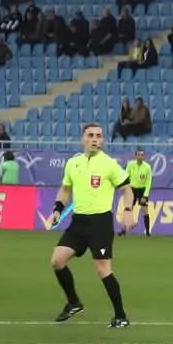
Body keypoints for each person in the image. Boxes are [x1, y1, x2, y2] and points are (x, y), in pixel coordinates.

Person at [50, 123, 134, 328]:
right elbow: (65, 189)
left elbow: (127, 189)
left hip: (100, 223)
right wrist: (57, 209)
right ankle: (73, 302)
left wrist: (129, 211)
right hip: (78, 222)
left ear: (102, 140)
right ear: (83, 139)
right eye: (90, 135)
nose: (95, 139)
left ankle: (121, 316)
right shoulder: (73, 163)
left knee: (102, 269)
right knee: (57, 260)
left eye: (98, 135)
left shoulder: (109, 164)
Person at [121, 147, 155, 237]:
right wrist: (126, 189)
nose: (140, 157)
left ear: (144, 157)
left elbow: (148, 182)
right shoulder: (131, 165)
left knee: (145, 210)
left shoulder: (147, 167)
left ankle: (147, 231)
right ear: (135, 156)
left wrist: (145, 195)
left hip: (142, 190)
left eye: (142, 155)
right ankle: (123, 230)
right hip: (132, 189)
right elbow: (126, 176)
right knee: (127, 209)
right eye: (138, 155)